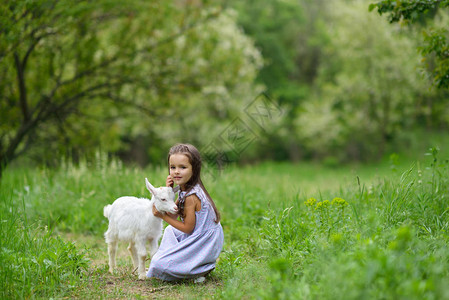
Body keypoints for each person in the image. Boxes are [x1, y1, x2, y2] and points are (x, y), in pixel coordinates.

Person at [146, 143, 224, 282]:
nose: (176, 171)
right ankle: (192, 267)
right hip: (198, 236)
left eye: (183, 167)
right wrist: (169, 191)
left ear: (194, 169)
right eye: (172, 167)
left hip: (203, 243)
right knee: (170, 231)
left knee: (159, 264)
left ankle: (198, 269)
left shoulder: (191, 196)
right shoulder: (184, 189)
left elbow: (188, 228)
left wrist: (162, 216)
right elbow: (174, 215)